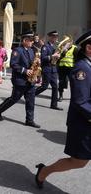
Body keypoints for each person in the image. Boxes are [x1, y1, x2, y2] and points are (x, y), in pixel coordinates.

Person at [35, 30, 91, 190]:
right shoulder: (82, 69)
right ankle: (43, 171)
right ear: (89, 48)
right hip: (83, 124)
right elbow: (81, 102)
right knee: (78, 162)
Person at [0, 31, 40, 128]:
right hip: (20, 80)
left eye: (32, 40)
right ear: (24, 40)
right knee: (14, 99)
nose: (32, 42)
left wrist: (37, 63)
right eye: (31, 40)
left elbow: (32, 63)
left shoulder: (32, 51)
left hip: (30, 81)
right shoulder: (17, 51)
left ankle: (29, 120)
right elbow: (13, 64)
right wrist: (25, 71)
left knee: (31, 101)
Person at [35, 30, 63, 110]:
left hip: (53, 69)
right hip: (47, 69)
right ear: (50, 37)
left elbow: (55, 58)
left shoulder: (54, 47)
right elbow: (43, 58)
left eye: (56, 37)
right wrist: (53, 56)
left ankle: (54, 105)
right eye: (54, 37)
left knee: (55, 87)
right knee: (44, 86)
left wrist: (59, 56)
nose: (55, 38)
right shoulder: (45, 46)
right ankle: (31, 95)